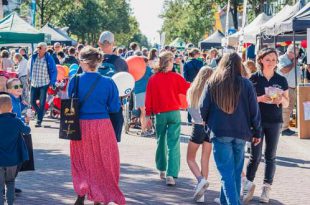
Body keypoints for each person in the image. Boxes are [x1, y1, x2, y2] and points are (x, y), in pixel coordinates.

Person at [200, 52, 262, 205]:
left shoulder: (213, 82)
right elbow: (255, 110)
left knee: (227, 173)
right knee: (233, 172)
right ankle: (225, 201)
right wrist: (257, 131)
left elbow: (203, 107)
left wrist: (208, 123)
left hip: (220, 130)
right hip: (241, 132)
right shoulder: (246, 83)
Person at [68, 46, 125, 205]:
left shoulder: (75, 80)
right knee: (103, 161)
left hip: (80, 126)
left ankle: (82, 190)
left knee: (81, 160)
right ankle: (99, 196)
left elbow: (70, 101)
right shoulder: (108, 82)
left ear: (84, 62)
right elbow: (114, 108)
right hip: (102, 125)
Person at [243, 48, 289, 204]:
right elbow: (246, 101)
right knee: (255, 156)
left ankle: (266, 188)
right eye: (268, 59)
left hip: (275, 121)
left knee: (271, 156)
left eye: (274, 60)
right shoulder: (253, 79)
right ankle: (247, 186)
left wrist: (280, 100)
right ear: (261, 60)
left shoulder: (281, 79)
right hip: (256, 122)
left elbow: (288, 102)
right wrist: (261, 98)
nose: (271, 62)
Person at [145, 51, 190, 186]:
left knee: (161, 141)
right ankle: (171, 174)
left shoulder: (153, 79)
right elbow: (188, 88)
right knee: (174, 143)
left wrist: (147, 115)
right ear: (169, 62)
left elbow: (149, 98)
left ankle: (162, 169)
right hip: (174, 112)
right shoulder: (176, 77)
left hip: (159, 114)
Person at [186, 66, 213, 203]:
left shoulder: (192, 91)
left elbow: (190, 110)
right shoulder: (213, 91)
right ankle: (202, 192)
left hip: (197, 126)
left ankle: (200, 180)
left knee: (190, 158)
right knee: (205, 159)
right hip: (209, 127)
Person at [98, 31, 128, 142]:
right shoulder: (121, 63)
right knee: (112, 143)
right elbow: (127, 89)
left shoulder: (91, 60)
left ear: (99, 43)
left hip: (93, 109)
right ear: (113, 43)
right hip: (114, 108)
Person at [0, 94, 30, 205]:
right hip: (13, 160)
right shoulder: (16, 121)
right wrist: (26, 120)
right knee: (11, 182)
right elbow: (27, 130)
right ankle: (10, 203)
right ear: (11, 107)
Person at [28, 42, 57, 127]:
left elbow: (54, 70)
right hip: (34, 82)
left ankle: (39, 121)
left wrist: (52, 82)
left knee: (42, 103)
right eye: (38, 47)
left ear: (45, 49)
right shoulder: (33, 57)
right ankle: (40, 112)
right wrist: (29, 78)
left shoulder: (49, 58)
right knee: (32, 102)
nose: (38, 49)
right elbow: (30, 69)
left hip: (44, 83)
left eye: (40, 48)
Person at [277, 45, 300, 136]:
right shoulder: (282, 59)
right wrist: (293, 64)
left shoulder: (293, 60)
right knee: (285, 109)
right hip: (286, 88)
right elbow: (283, 70)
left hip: (293, 88)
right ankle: (283, 129)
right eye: (296, 53)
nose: (297, 55)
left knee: (289, 109)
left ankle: (285, 127)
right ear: (290, 52)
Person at [183, 48, 204, 124]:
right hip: (199, 83)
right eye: (198, 53)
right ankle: (199, 117)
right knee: (200, 100)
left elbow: (185, 76)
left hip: (190, 84)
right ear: (196, 54)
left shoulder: (186, 63)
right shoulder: (200, 62)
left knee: (190, 101)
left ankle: (189, 119)